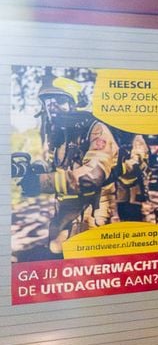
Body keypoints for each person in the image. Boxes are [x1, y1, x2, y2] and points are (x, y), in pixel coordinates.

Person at [19, 76, 120, 256]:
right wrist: (38, 170)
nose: (52, 106)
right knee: (58, 254)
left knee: (89, 266)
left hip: (92, 212)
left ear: (77, 103)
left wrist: (41, 183)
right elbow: (60, 168)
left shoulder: (97, 130)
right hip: (66, 211)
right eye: (48, 101)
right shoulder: (61, 134)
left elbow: (91, 177)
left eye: (60, 100)